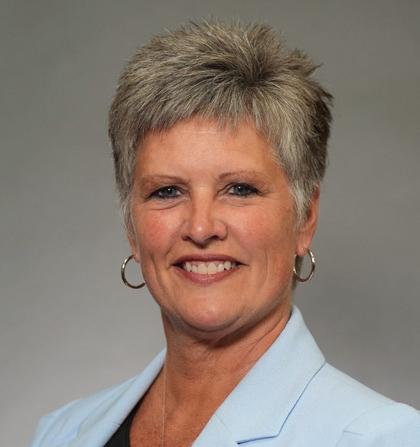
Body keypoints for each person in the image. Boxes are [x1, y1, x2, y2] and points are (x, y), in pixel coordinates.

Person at [29, 20, 420, 447]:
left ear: (305, 217)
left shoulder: (381, 437)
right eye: (167, 191)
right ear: (131, 228)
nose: (201, 228)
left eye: (240, 189)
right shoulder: (60, 433)